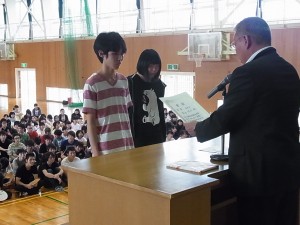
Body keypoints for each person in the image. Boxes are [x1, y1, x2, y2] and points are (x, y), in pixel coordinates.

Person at [193, 17, 300, 225]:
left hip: (257, 179)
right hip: (288, 174)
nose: (235, 51)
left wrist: (198, 129)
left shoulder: (247, 73)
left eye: (235, 44)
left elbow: (227, 117)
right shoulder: (289, 70)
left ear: (246, 41)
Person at [82, 31, 134, 156]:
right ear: (101, 53)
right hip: (105, 150)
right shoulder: (92, 84)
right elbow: (90, 122)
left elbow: (124, 116)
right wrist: (95, 153)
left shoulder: (123, 81)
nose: (120, 58)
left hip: (127, 146)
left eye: (122, 54)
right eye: (115, 54)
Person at [128, 49, 166, 147]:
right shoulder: (130, 82)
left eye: (156, 66)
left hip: (156, 135)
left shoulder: (159, 84)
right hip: (137, 136)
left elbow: (160, 111)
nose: (154, 70)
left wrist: (163, 135)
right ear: (143, 65)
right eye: (151, 66)